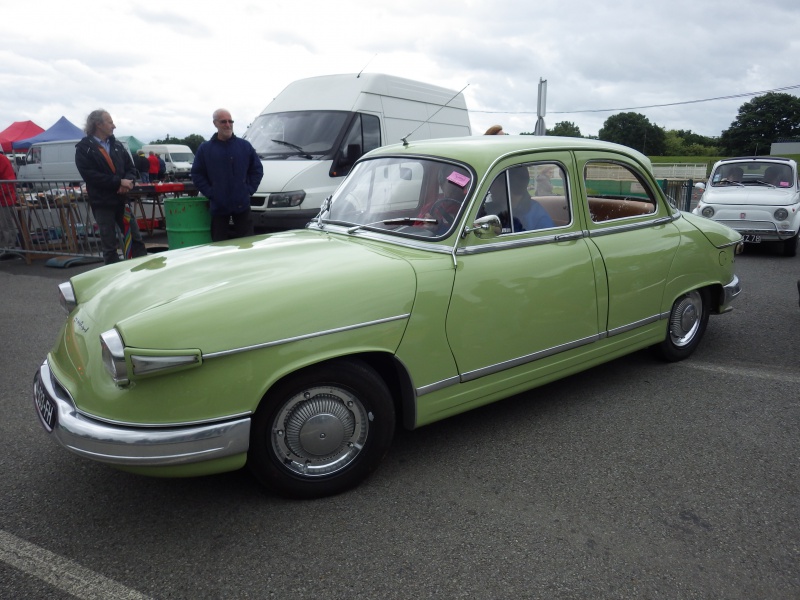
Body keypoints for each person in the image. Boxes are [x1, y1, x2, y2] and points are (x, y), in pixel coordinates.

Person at [75, 109, 147, 264]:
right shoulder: (84, 148)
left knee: (136, 238)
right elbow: (90, 175)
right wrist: (118, 182)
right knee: (109, 245)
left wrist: (127, 183)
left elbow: (131, 168)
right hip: (102, 203)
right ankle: (113, 281)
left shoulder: (117, 145)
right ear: (98, 124)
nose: (114, 126)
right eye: (110, 122)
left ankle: (144, 273)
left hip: (122, 200)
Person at [191, 108, 264, 241]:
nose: (228, 124)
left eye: (230, 121)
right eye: (223, 121)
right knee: (219, 245)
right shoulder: (205, 149)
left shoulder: (244, 146)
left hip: (242, 204)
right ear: (215, 124)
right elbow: (197, 174)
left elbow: (257, 170)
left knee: (247, 243)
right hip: (218, 206)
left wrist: (248, 190)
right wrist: (211, 192)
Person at [508, 166, 554, 232]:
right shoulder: (500, 208)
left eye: (496, 181)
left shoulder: (538, 216)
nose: (492, 189)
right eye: (550, 172)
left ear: (507, 184)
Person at [0, 152, 20, 258]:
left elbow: (8, 181)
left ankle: (10, 248)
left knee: (6, 225)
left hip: (4, 199)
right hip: (3, 196)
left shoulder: (2, 160)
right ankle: (4, 248)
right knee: (3, 226)